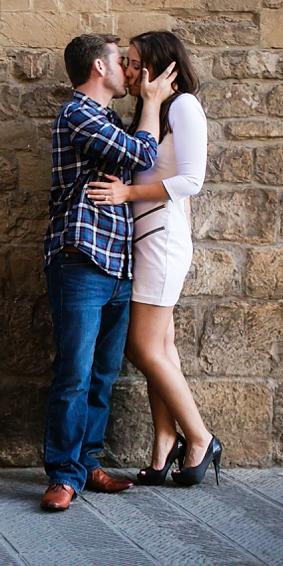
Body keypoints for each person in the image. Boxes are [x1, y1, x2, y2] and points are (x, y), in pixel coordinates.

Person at [41, 33, 176, 512]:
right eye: (122, 62)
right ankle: (63, 475)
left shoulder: (107, 119)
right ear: (99, 67)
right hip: (81, 262)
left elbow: (132, 164)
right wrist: (154, 101)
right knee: (74, 374)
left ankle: (87, 463)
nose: (130, 71)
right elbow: (142, 155)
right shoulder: (78, 113)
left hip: (119, 266)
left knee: (102, 374)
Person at [86, 31, 221, 487]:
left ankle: (200, 438)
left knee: (142, 348)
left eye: (135, 62)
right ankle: (164, 448)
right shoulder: (154, 114)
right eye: (126, 62)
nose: (126, 70)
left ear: (160, 67)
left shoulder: (184, 106)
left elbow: (191, 181)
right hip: (146, 238)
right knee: (163, 351)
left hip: (162, 241)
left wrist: (127, 192)